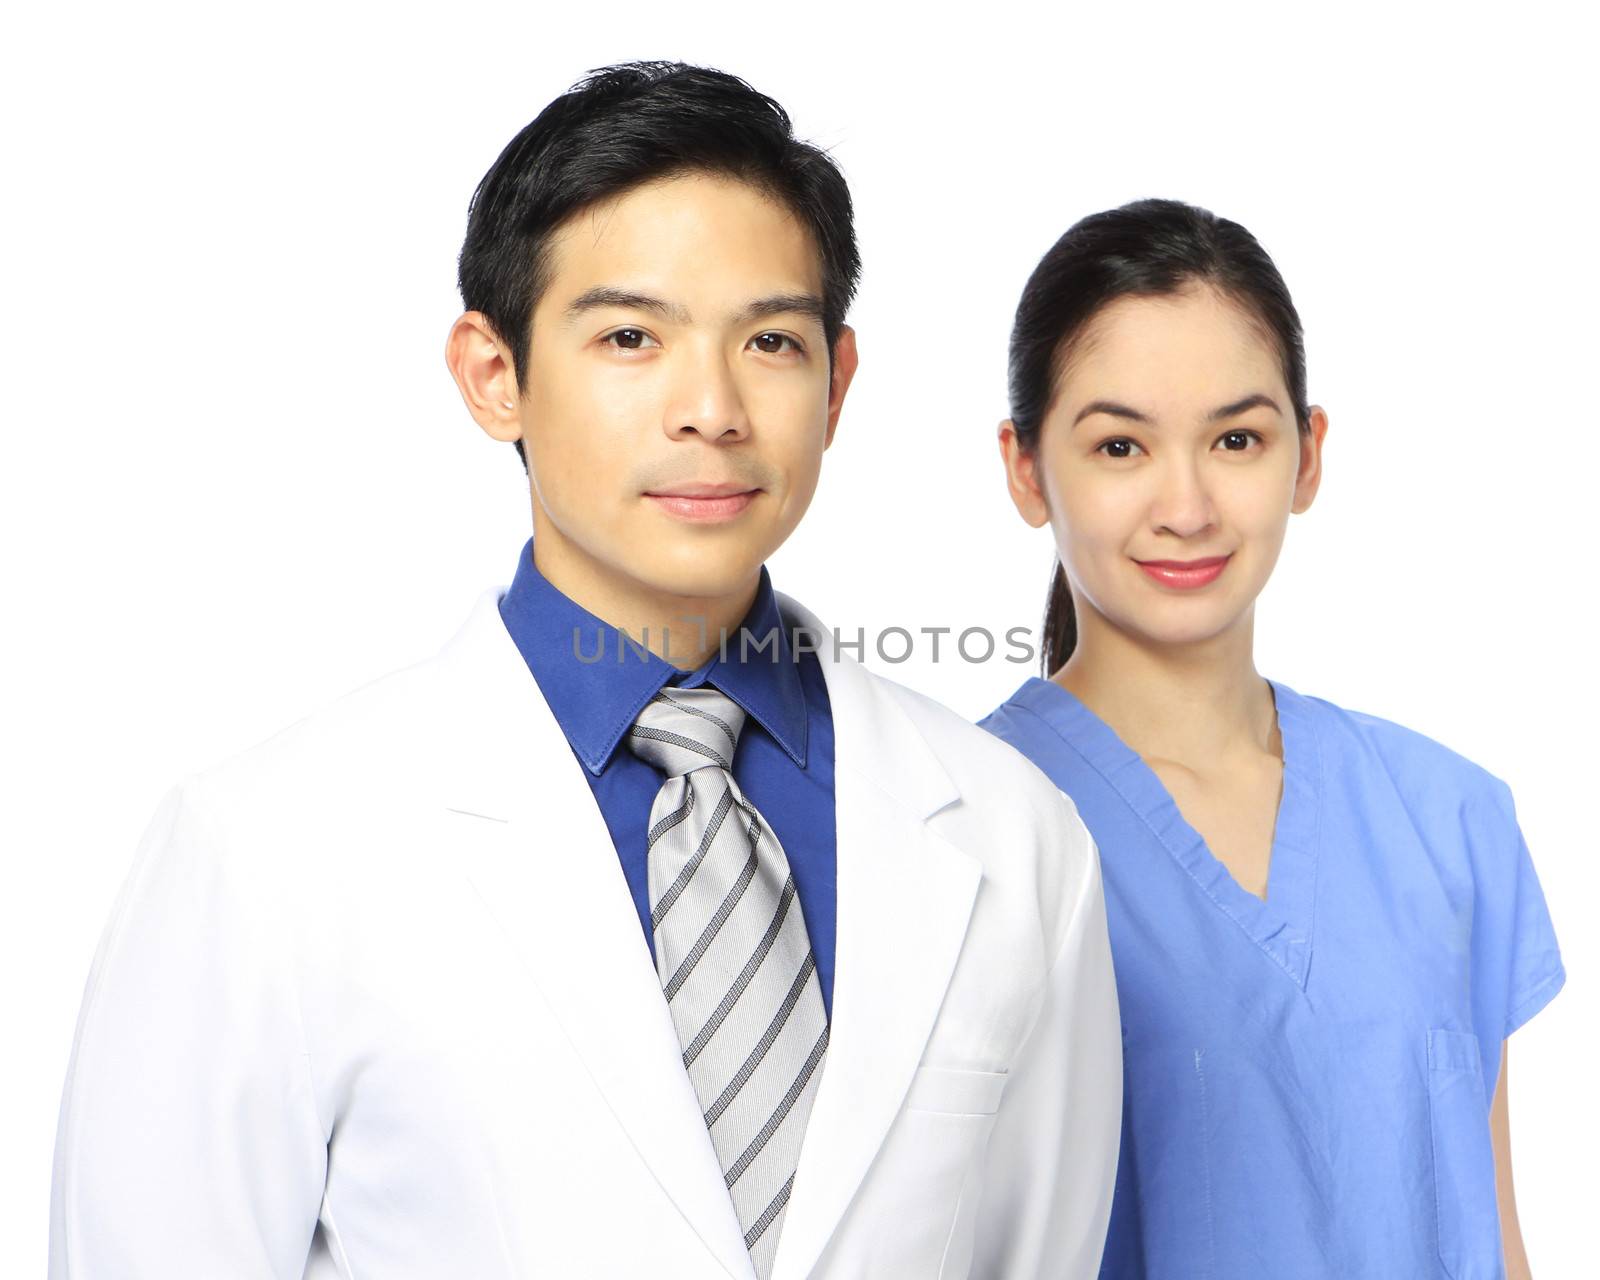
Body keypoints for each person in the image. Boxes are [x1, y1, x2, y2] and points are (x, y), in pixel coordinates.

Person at [48, 62, 1122, 1279]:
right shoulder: (262, 848)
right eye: (629, 336)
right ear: (491, 373)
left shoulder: (1015, 835)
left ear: (837, 384)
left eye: (770, 339)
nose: (710, 407)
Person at [980, 198, 1564, 1279]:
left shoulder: (1448, 818)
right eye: (1119, 444)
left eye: (1236, 438)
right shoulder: (965, 827)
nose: (1188, 504)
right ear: (1024, 469)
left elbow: (1493, 1239)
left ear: (1306, 455)